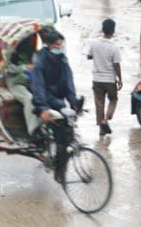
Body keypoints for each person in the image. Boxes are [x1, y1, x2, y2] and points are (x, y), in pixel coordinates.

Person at [31, 29, 82, 183]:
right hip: (45, 98)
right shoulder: (39, 60)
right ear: (49, 45)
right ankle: (59, 167)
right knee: (60, 130)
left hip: (58, 99)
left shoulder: (62, 59)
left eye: (61, 45)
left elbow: (68, 81)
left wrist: (73, 101)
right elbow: (38, 85)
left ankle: (62, 162)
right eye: (57, 45)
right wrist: (43, 108)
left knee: (68, 129)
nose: (60, 48)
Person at [87, 19, 122, 137]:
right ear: (113, 31)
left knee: (99, 103)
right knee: (113, 100)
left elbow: (89, 56)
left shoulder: (93, 43)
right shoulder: (114, 47)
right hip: (110, 80)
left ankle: (101, 127)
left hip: (97, 78)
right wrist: (120, 79)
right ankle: (105, 120)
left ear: (102, 29)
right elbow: (116, 65)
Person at [4, 33, 40, 135]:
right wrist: (24, 67)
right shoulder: (9, 53)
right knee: (29, 99)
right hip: (16, 82)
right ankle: (33, 130)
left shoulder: (33, 53)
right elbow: (7, 69)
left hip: (32, 81)